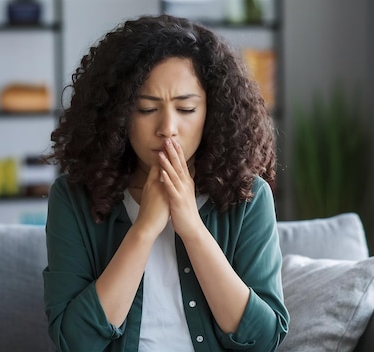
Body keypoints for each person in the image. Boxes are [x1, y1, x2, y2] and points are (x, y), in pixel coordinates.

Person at [43, 14, 289, 352]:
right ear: (118, 115)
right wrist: (143, 230)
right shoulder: (72, 197)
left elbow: (262, 340)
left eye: (186, 109)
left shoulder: (249, 196)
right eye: (146, 109)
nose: (167, 128)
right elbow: (75, 342)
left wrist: (192, 228)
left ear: (212, 112)